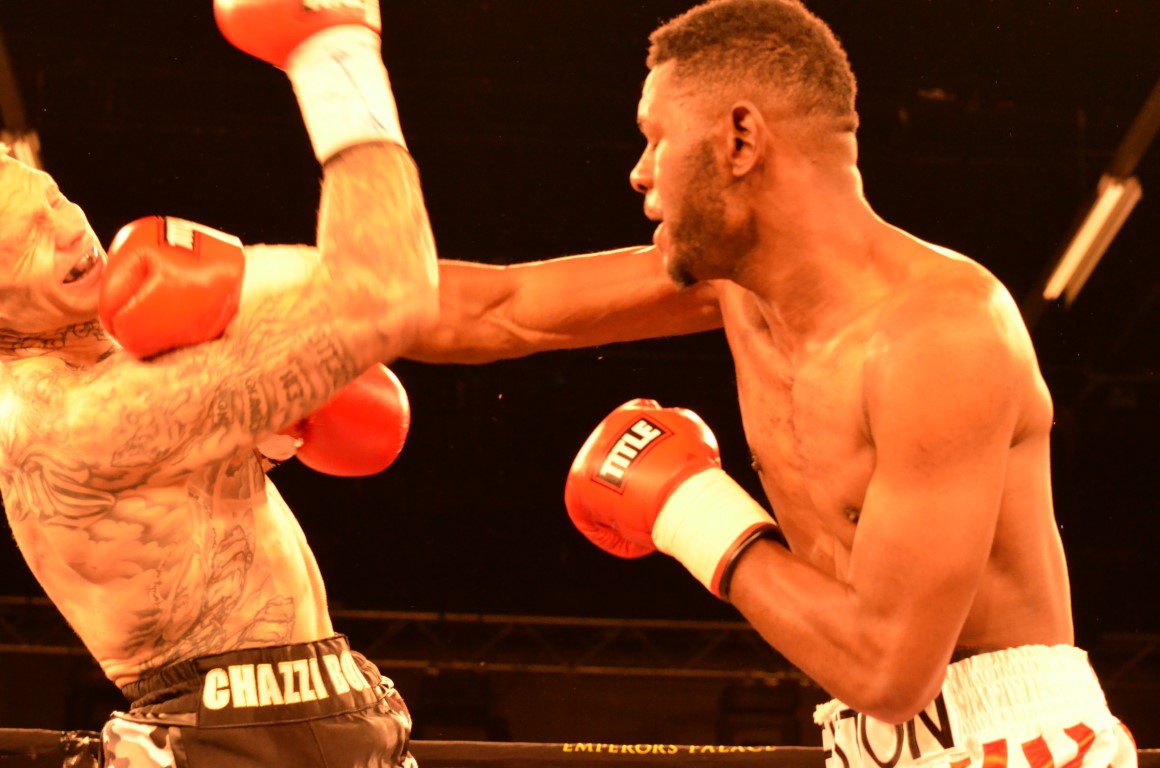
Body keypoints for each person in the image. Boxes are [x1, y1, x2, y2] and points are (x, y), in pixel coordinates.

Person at [404, 0, 1139, 765]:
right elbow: (501, 309)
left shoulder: (941, 333)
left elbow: (889, 672)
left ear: (740, 139)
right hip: (868, 743)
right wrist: (311, 305)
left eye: (656, 137)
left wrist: (690, 507)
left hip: (1013, 740)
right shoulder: (737, 289)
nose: (640, 171)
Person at [0, 0, 437, 765]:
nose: (69, 228)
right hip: (223, 739)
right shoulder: (69, 416)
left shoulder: (134, 349)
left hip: (344, 707)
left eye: (57, 199)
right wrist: (336, 54)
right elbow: (386, 295)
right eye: (27, 241)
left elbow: (468, 303)